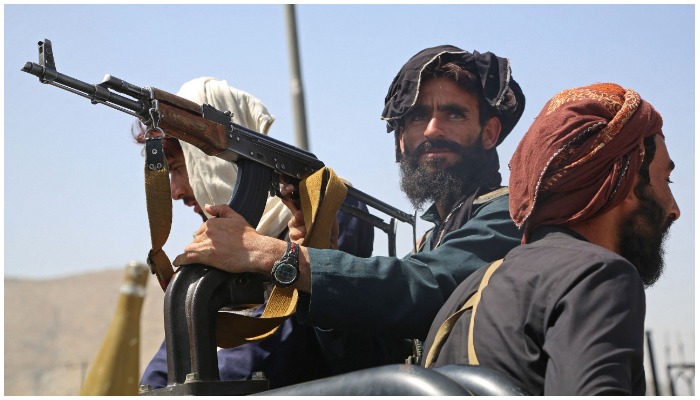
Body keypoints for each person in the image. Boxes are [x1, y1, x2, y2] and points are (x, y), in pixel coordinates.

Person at [172, 45, 527, 369]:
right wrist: (321, 251)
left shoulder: (509, 215)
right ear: (401, 140)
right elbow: (374, 357)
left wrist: (275, 255)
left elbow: (426, 284)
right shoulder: (436, 237)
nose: (433, 129)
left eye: (454, 114)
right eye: (417, 117)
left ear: (489, 132)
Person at [421, 83, 680, 395]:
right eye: (665, 180)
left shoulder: (468, 291)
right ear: (624, 178)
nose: (674, 209)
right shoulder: (598, 276)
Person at [133, 77, 374, 389]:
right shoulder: (216, 248)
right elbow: (171, 356)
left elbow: (268, 347)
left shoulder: (328, 209)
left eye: (180, 168)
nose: (176, 192)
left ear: (212, 161)